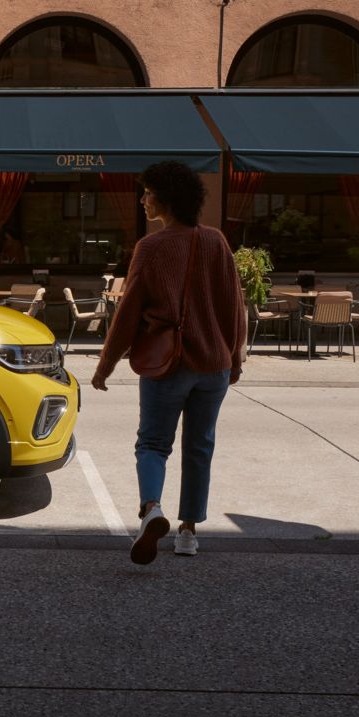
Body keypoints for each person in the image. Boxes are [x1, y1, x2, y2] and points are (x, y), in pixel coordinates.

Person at [91, 161, 245, 565]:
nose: (142, 199)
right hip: (213, 366)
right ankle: (189, 533)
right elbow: (235, 306)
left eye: (147, 192)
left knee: (154, 444)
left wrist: (104, 366)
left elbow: (127, 314)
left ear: (167, 198)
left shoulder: (151, 248)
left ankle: (151, 510)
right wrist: (236, 357)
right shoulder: (217, 242)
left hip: (168, 365)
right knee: (200, 447)